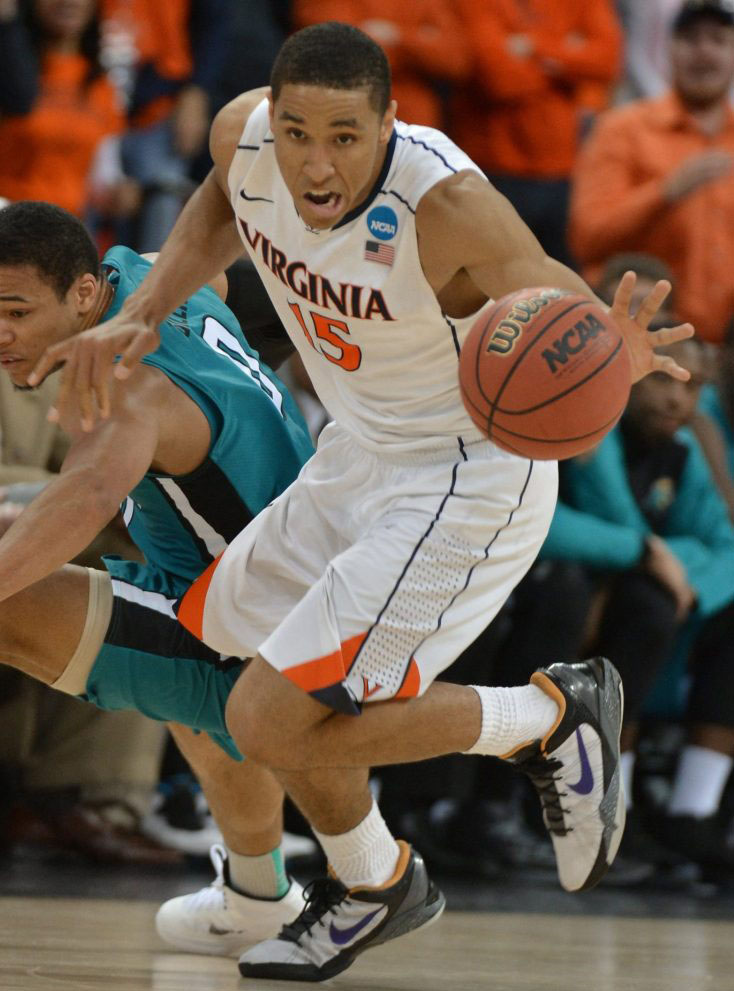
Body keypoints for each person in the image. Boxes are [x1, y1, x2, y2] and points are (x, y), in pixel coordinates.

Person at [29, 23, 694, 983]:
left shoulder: (448, 206)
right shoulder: (241, 140)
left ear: (390, 122)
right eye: (298, 131)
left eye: (345, 135)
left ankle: (546, 714)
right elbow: (225, 202)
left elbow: (549, 298)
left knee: (269, 717)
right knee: (221, 654)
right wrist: (143, 308)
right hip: (361, 454)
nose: (315, 159)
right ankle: (369, 880)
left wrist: (606, 355)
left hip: (467, 478)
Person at [0, 199, 314, 954]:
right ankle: (255, 892)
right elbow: (234, 294)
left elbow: (87, 496)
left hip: (262, 635)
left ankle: (527, 723)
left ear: (81, 295)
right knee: (178, 670)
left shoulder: (123, 383)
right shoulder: (145, 278)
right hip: (270, 585)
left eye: (14, 310)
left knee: (13, 607)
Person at [570, 0, 734, 344]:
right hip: (647, 341)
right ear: (668, 49)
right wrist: (666, 192)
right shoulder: (621, 129)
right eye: (690, 39)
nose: (704, 52)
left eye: (718, 40)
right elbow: (587, 239)